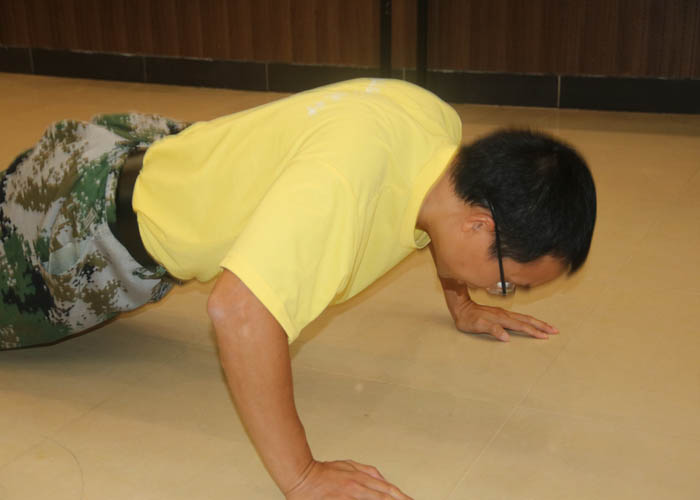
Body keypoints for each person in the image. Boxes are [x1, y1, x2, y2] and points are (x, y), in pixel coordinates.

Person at [0, 78, 596, 499]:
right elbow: (238, 311)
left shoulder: (437, 131)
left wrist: (463, 304)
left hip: (143, 151)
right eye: (507, 283)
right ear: (481, 225)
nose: (501, 290)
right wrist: (303, 476)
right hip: (77, 233)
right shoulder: (343, 192)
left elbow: (436, 225)